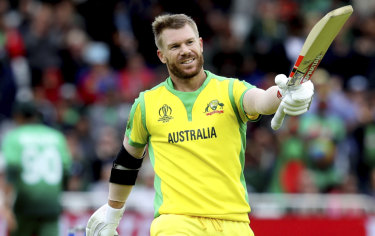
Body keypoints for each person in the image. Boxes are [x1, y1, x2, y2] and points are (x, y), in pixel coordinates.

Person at [86, 13, 314, 236]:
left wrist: (284, 93)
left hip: (234, 223)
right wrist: (112, 217)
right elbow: (127, 161)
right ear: (161, 55)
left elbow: (261, 100)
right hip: (176, 223)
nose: (185, 50)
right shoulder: (147, 104)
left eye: (189, 42)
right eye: (175, 46)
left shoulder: (230, 90)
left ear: (201, 44)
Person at [1, 101, 72, 236]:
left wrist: (6, 206)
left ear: (18, 117)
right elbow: (67, 169)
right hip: (51, 205)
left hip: (24, 206)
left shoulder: (14, 137)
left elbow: (12, 170)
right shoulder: (57, 137)